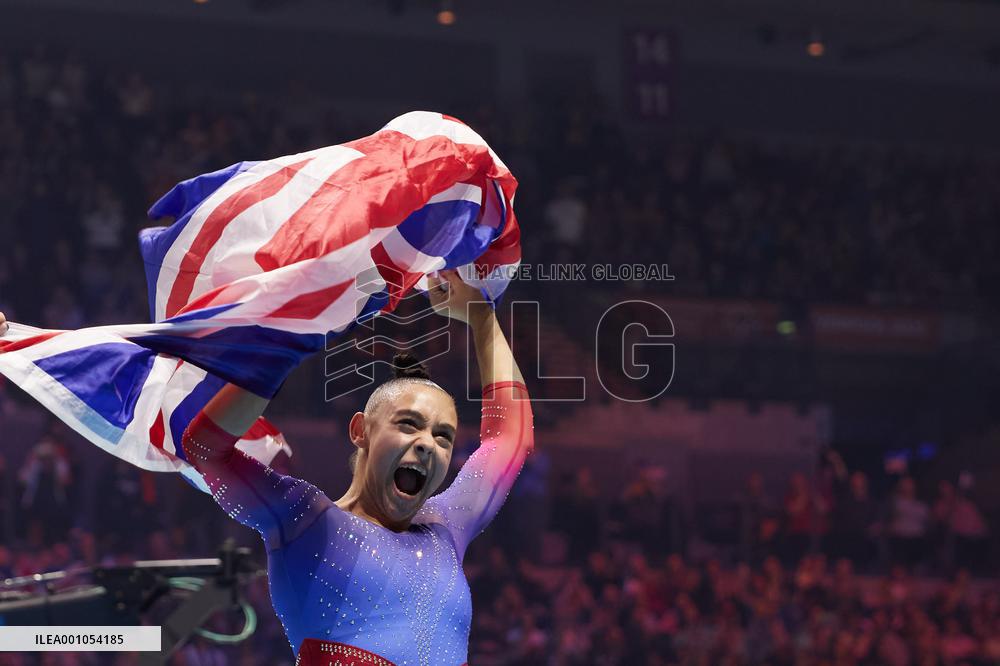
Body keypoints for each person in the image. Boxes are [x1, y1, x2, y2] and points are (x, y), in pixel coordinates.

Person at [132, 269, 534, 666]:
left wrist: (483, 318)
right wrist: (285, 349)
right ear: (360, 430)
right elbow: (205, 448)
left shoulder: (447, 527)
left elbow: (510, 440)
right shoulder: (310, 522)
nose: (428, 444)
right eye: (408, 424)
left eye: (443, 436)